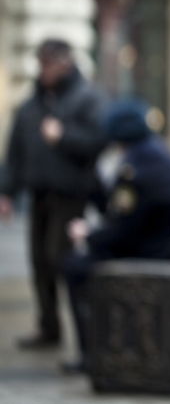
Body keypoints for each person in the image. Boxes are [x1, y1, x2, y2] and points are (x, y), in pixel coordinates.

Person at [61, 100, 170, 373]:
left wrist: (88, 236)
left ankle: (92, 355)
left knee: (75, 267)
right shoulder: (159, 155)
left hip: (154, 252)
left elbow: (123, 228)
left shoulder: (133, 169)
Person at [0, 39, 105, 350]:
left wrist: (64, 137)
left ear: (65, 63)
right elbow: (15, 151)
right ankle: (49, 326)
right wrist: (6, 191)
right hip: (39, 192)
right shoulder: (32, 104)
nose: (43, 69)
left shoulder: (86, 98)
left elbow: (97, 141)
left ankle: (85, 335)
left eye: (49, 62)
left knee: (61, 260)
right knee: (39, 263)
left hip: (70, 193)